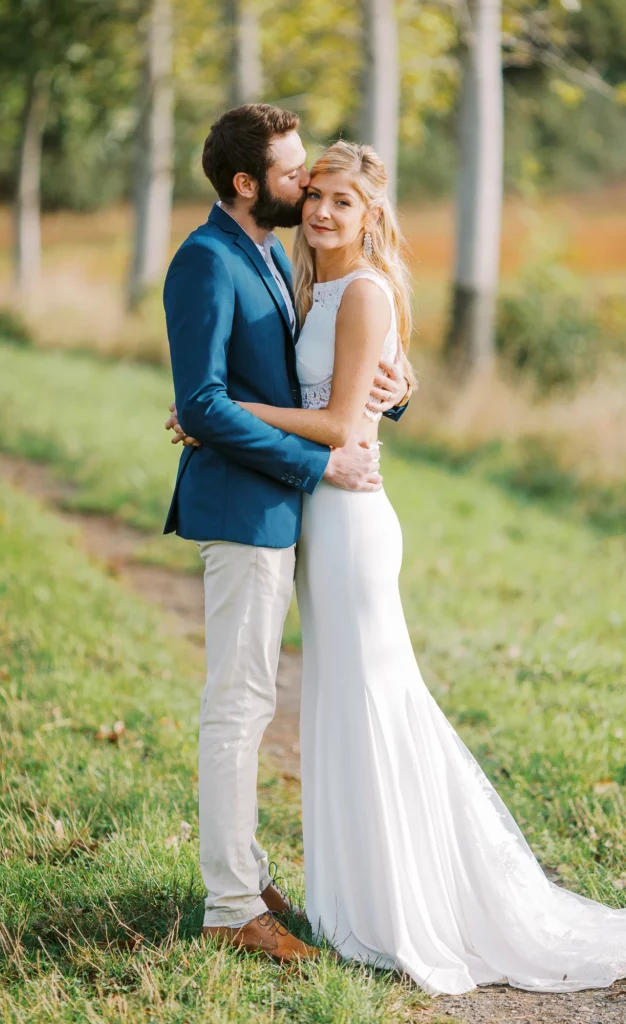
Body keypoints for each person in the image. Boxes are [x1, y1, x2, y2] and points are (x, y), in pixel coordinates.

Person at [170, 137, 626, 996]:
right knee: (334, 703)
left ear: (372, 215)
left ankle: (410, 902)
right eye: (311, 188)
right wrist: (373, 392)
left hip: (351, 520)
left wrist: (215, 411)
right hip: (312, 513)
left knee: (375, 699)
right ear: (259, 185)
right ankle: (338, 896)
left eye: (339, 199)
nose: (319, 206)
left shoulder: (356, 285)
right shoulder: (290, 276)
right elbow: (344, 390)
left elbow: (338, 420)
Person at [162, 105, 410, 964]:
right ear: (246, 183)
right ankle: (232, 907)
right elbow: (202, 406)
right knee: (237, 708)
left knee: (261, 702)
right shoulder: (205, 262)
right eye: (293, 173)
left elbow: (323, 371)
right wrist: (319, 465)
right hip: (244, 510)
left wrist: (393, 385)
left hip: (287, 511)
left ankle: (248, 875)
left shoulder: (271, 254)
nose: (307, 187)